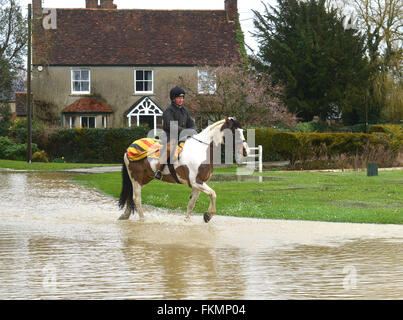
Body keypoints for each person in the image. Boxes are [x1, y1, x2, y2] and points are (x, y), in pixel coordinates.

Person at [154, 86, 197, 180]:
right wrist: (185, 131)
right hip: (170, 136)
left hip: (183, 137)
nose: (181, 100)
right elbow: (172, 126)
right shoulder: (168, 111)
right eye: (179, 98)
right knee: (171, 147)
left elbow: (192, 124)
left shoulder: (185, 111)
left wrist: (193, 130)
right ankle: (159, 170)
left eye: (182, 98)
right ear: (173, 99)